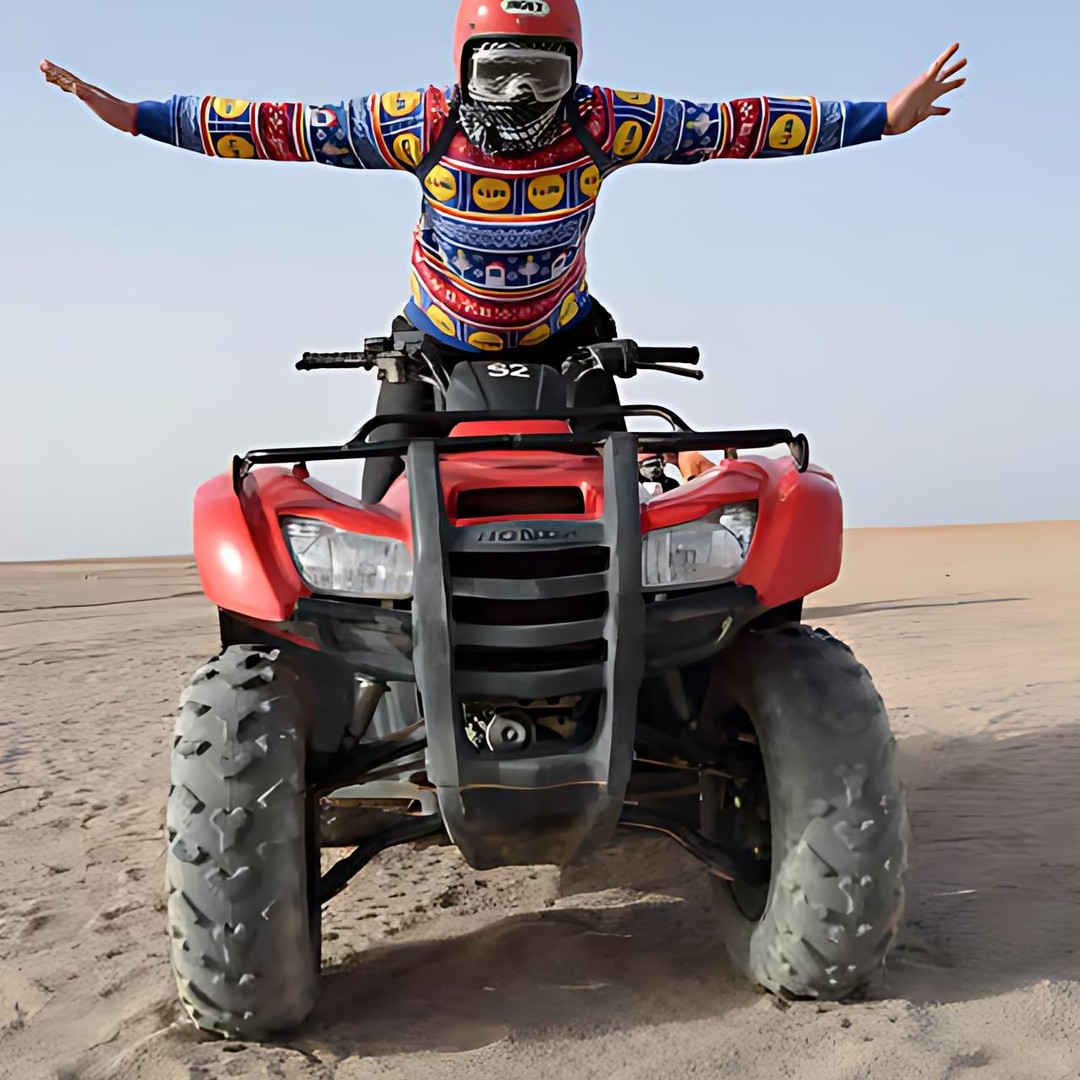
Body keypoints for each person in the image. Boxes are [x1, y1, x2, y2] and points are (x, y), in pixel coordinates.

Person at [41, 0, 966, 499]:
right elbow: (281, 127)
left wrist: (880, 119)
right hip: (430, 347)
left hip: (572, 341)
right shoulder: (418, 123)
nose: (522, 94)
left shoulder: (608, 122)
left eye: (542, 72)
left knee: (624, 509)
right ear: (464, 68)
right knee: (379, 521)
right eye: (502, 71)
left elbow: (736, 124)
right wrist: (140, 117)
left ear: (575, 72)